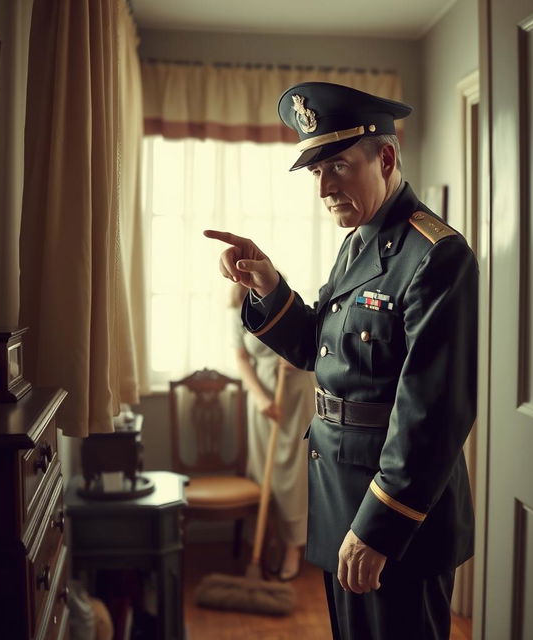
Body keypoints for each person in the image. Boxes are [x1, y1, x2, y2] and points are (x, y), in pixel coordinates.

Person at [205, 82, 478, 639]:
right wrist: (269, 286)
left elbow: (434, 413)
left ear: (385, 156)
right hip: (340, 492)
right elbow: (321, 349)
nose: (325, 187)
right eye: (315, 172)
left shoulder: (436, 254)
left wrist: (379, 525)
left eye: (338, 166)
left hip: (394, 511)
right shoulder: (362, 238)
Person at [230, 282, 313, 581]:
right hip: (265, 403)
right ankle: (271, 538)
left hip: (297, 397)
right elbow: (241, 359)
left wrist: (295, 357)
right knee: (268, 474)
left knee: (294, 475)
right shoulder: (236, 313)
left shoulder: (288, 305)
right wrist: (260, 398)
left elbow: (312, 346)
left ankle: (294, 545)